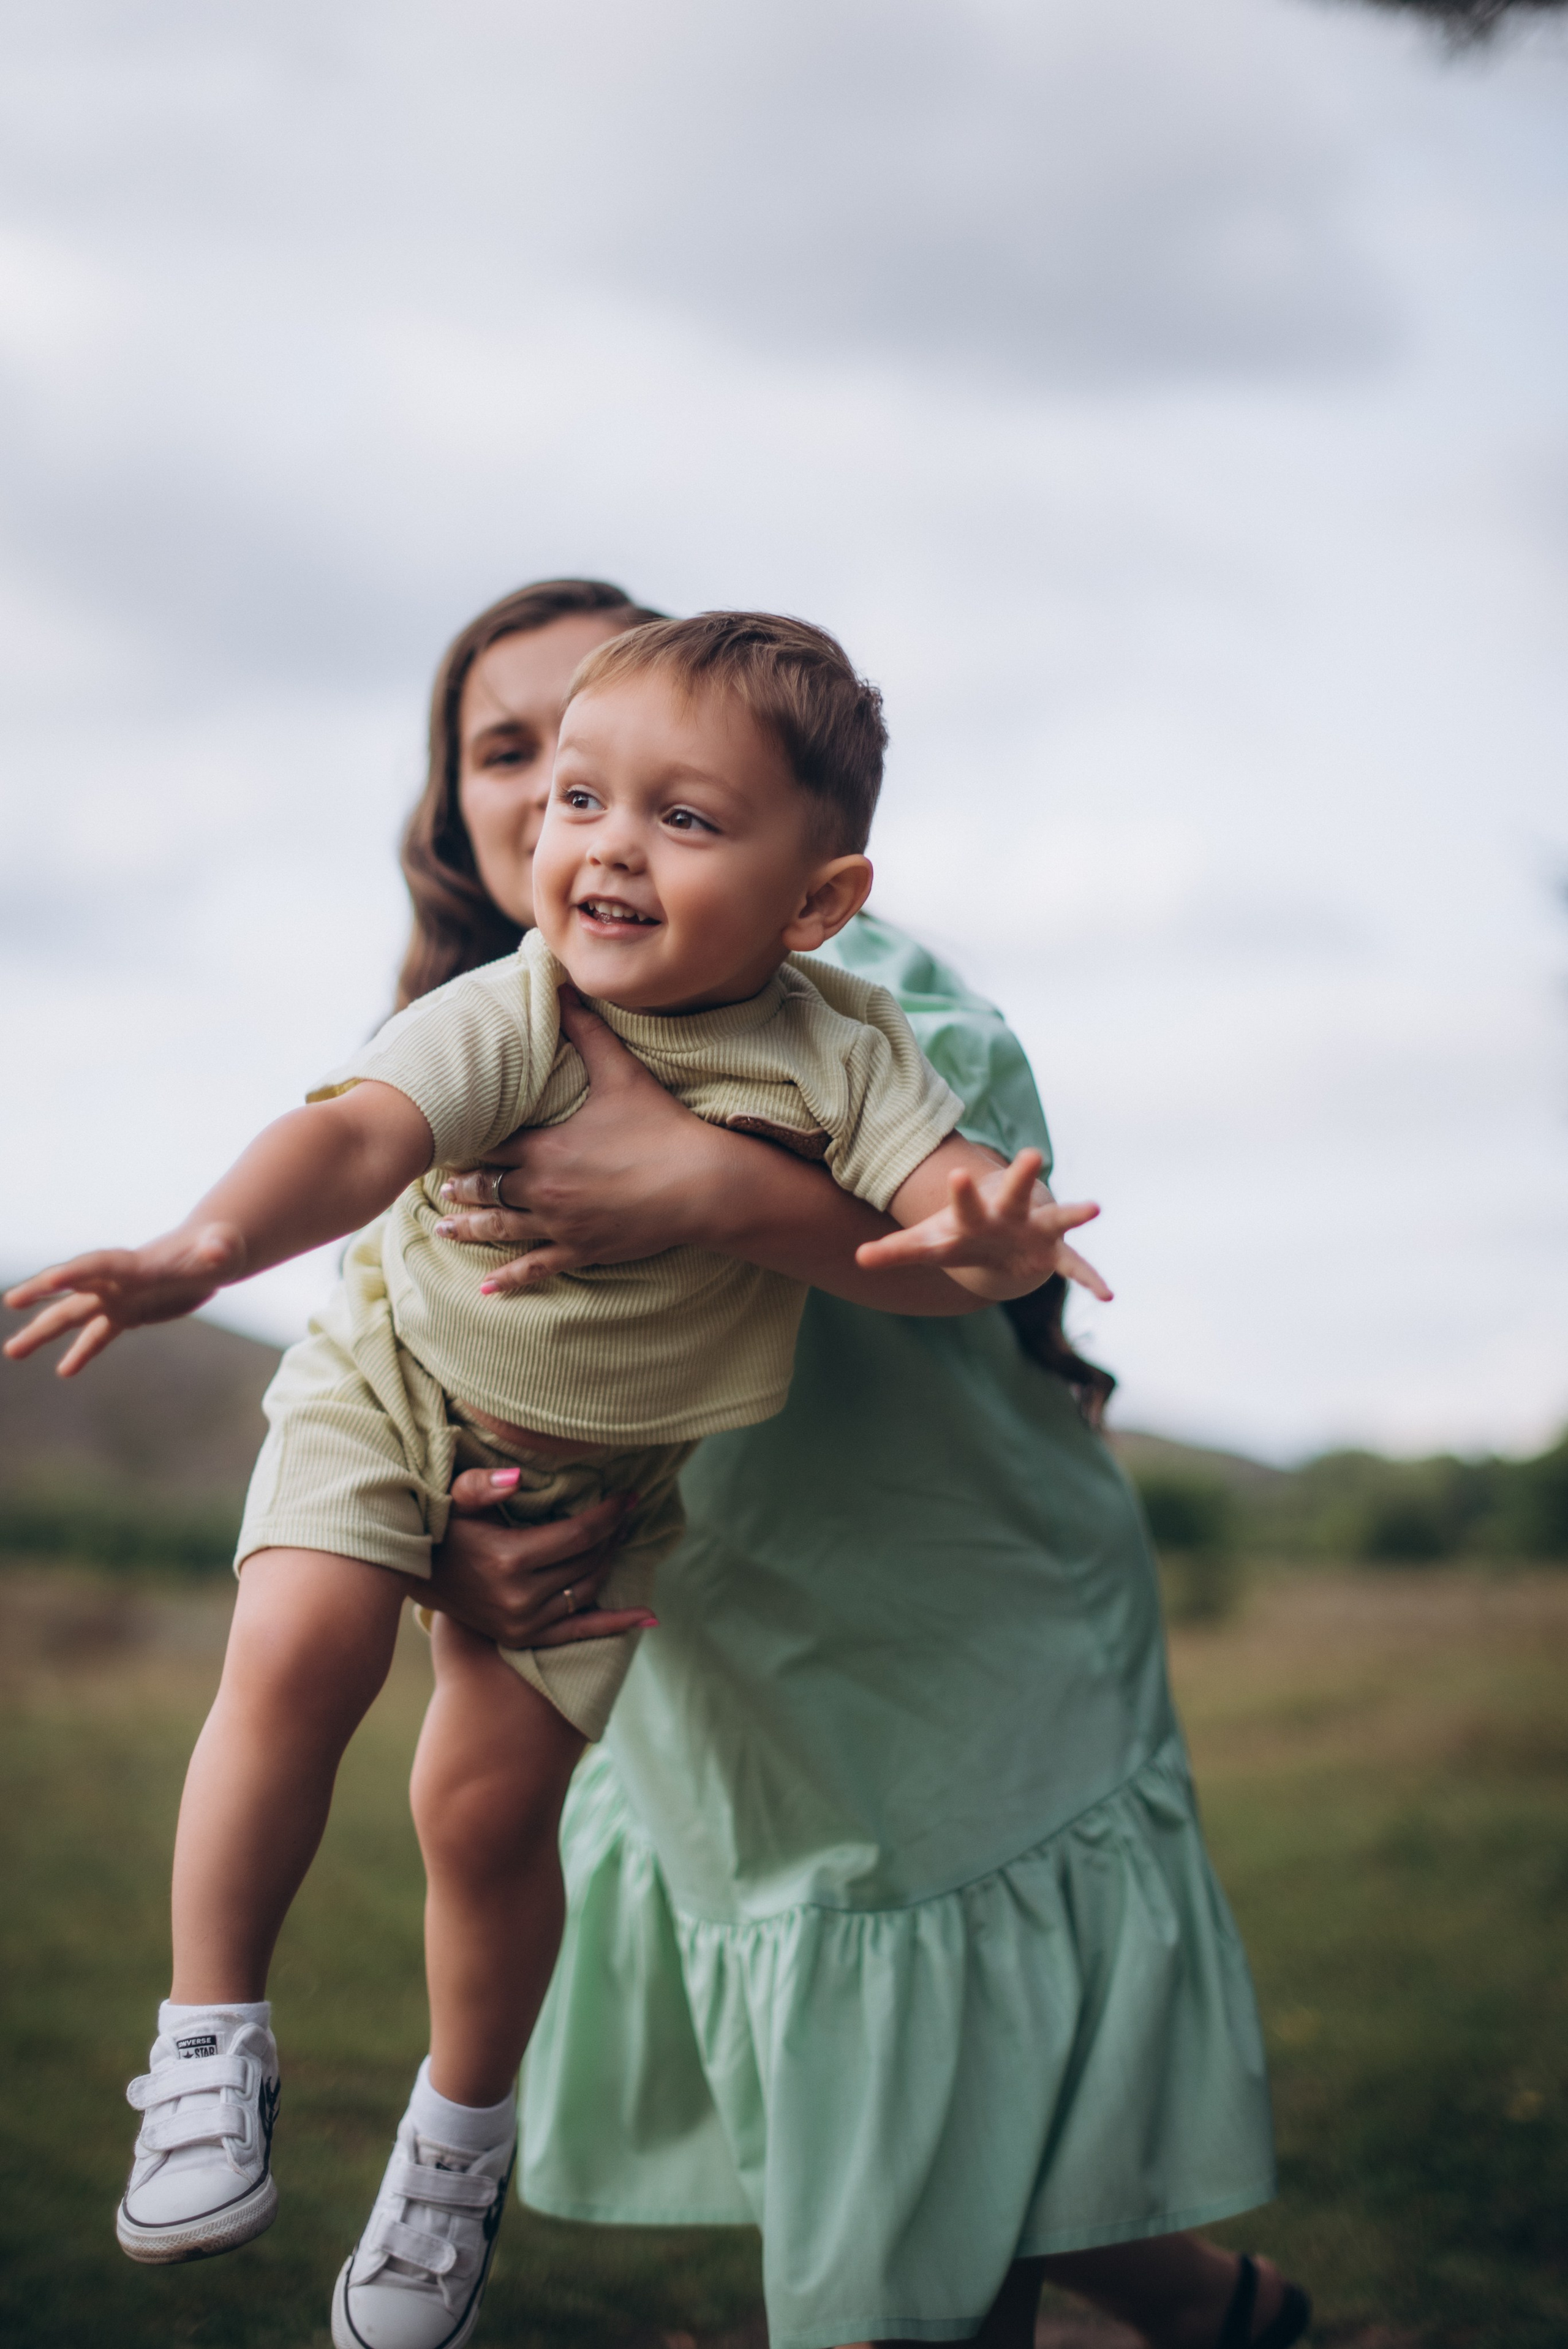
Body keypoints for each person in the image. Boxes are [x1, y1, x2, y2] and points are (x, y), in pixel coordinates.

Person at [4, 612, 1110, 2349]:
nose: (595, 838)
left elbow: (925, 1224)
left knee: (485, 1808)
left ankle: (457, 2138)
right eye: (573, 793)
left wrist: (981, 1233)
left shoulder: (845, 1044)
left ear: (817, 899)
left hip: (592, 1473)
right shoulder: (509, 1005)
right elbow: (358, 1135)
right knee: (295, 1653)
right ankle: (208, 2039)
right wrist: (202, 1243)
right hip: (392, 1387)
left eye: (679, 816)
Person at [414, 582, 1311, 2349]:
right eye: (516, 755)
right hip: (726, 1678)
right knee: (922, 2135)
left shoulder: (853, 996)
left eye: (626, 754)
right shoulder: (467, 1053)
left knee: (912, 2191)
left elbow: (989, 1227)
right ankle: (1228, 2320)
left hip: (943, 1658)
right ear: (457, 808)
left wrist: (706, 1183)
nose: (561, 798)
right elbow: (424, 1373)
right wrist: (457, 1548)